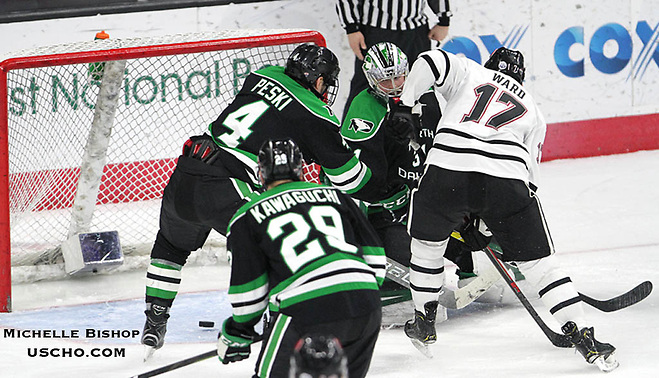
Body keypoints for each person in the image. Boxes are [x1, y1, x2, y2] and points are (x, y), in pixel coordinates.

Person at [141, 43, 403, 356]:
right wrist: (385, 189)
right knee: (270, 249)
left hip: (188, 168)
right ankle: (274, 321)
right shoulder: (316, 114)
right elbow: (348, 179)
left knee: (170, 247)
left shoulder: (261, 75)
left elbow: (273, 119)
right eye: (327, 82)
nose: (327, 90)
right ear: (318, 80)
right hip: (228, 186)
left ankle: (154, 323)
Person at [397, 46, 619, 371]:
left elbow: (428, 61)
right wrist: (490, 223)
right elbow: (530, 182)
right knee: (542, 267)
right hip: (506, 180)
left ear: (490, 66)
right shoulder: (532, 107)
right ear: (521, 77)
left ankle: (424, 323)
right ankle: (586, 337)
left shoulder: (471, 72)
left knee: (427, 250)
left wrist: (406, 105)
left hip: (448, 169)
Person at [339, 41, 482, 326]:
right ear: (371, 79)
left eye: (399, 77)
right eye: (385, 79)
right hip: (387, 211)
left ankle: (473, 269)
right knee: (409, 263)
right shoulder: (363, 107)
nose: (393, 86)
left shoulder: (430, 98)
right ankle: (394, 287)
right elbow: (360, 178)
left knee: (473, 234)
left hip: (428, 197)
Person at [216, 138, 384, 378]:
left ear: (261, 175)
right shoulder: (336, 195)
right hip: (366, 303)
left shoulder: (247, 216)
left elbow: (249, 296)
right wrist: (355, 295)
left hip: (305, 311)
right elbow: (376, 258)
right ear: (301, 170)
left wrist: (237, 333)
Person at [335, 0, 452, 119]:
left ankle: (421, 134)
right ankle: (354, 133)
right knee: (368, 86)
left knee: (421, 87)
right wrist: (351, 28)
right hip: (376, 30)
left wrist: (444, 19)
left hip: (415, 32)